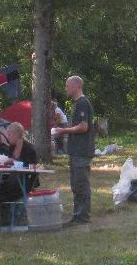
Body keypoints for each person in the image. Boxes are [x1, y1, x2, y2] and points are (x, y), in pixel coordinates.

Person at [53, 76, 94, 224]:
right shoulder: (77, 104)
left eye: (67, 86)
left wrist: (63, 131)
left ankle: (82, 216)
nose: (66, 88)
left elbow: (84, 127)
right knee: (76, 184)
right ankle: (78, 215)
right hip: (75, 151)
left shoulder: (83, 103)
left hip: (81, 151)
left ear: (76, 86)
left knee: (81, 184)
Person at [0, 122, 39, 228]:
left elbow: (31, 166)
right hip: (12, 179)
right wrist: (2, 163)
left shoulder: (29, 148)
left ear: (17, 134)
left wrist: (13, 161)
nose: (8, 137)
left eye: (9, 134)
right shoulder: (11, 147)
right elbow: (10, 164)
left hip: (25, 181)